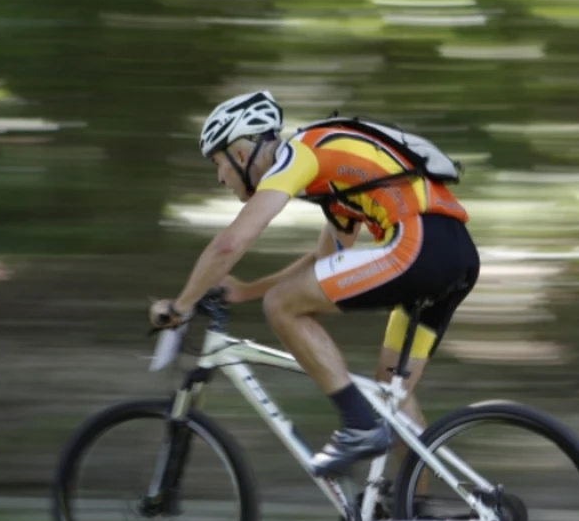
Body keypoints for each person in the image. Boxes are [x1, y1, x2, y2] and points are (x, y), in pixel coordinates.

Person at [149, 89, 479, 490]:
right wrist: (247, 290)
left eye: (218, 164)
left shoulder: (299, 153)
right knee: (393, 396)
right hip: (454, 252)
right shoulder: (333, 183)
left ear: (240, 154)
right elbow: (327, 263)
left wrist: (181, 306)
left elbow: (230, 243)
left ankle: (358, 427)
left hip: (418, 244)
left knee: (282, 306)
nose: (220, 178)